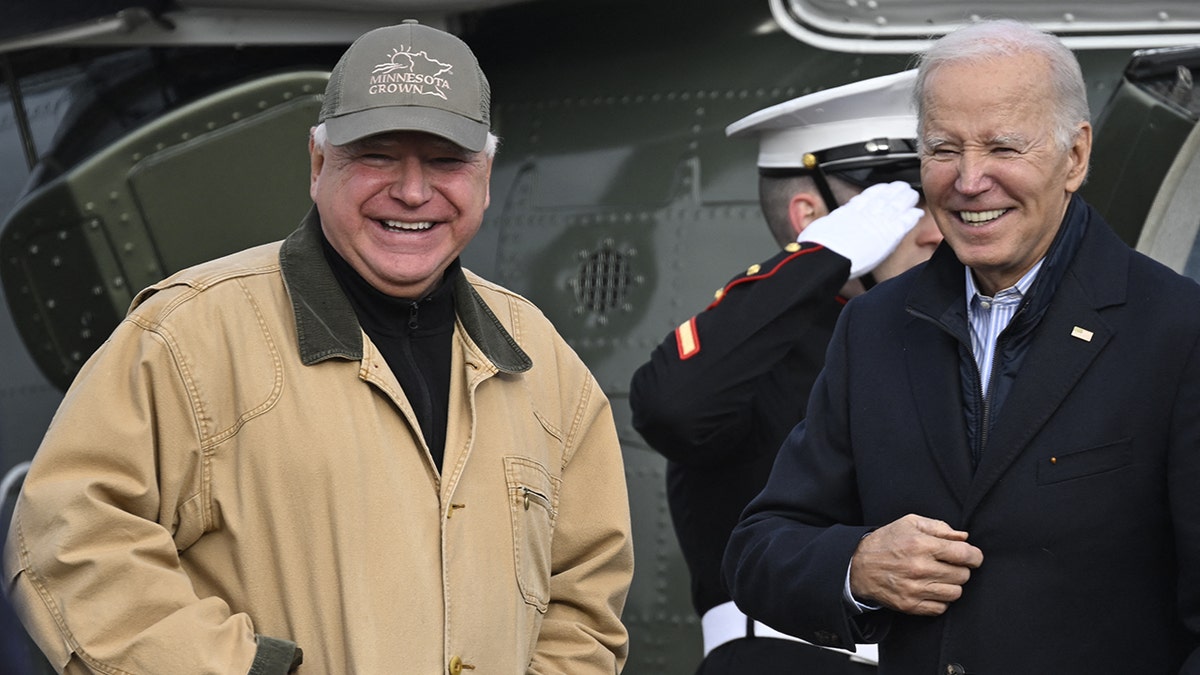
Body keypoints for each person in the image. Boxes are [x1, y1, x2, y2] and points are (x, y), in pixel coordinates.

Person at [2, 20, 633, 674]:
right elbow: (66, 540)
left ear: (486, 176)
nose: (413, 191)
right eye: (378, 155)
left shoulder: (544, 367)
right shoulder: (188, 336)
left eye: (447, 160)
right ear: (317, 163)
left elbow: (584, 597)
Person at [722, 18, 1200, 674]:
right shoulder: (876, 329)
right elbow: (760, 546)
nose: (970, 180)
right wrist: (856, 567)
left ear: (1077, 156)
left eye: (1004, 147)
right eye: (944, 149)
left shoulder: (1177, 331)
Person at [629, 69, 940, 674]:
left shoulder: (937, 337)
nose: (934, 227)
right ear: (811, 217)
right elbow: (673, 407)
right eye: (901, 200)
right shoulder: (755, 354)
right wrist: (820, 259)